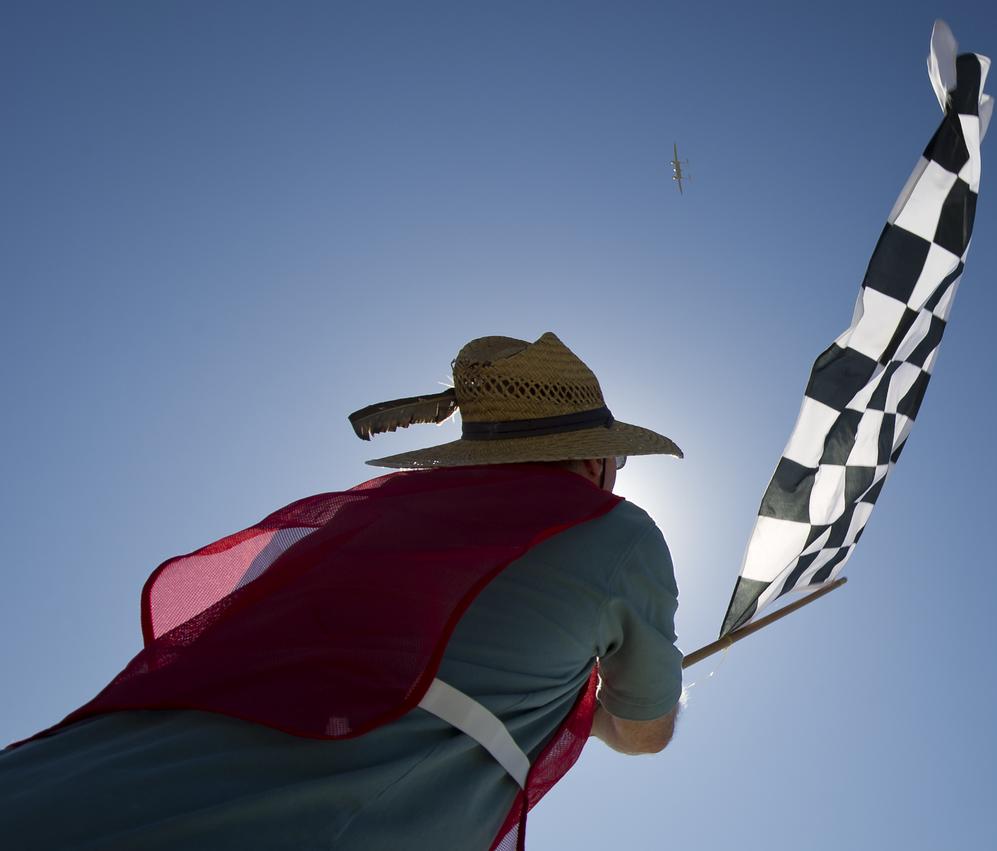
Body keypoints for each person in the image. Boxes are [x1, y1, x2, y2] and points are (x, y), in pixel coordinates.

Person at [0, 332, 684, 850]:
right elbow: (644, 731)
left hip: (53, 780)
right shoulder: (615, 532)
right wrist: (592, 701)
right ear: (595, 458)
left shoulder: (368, 515)